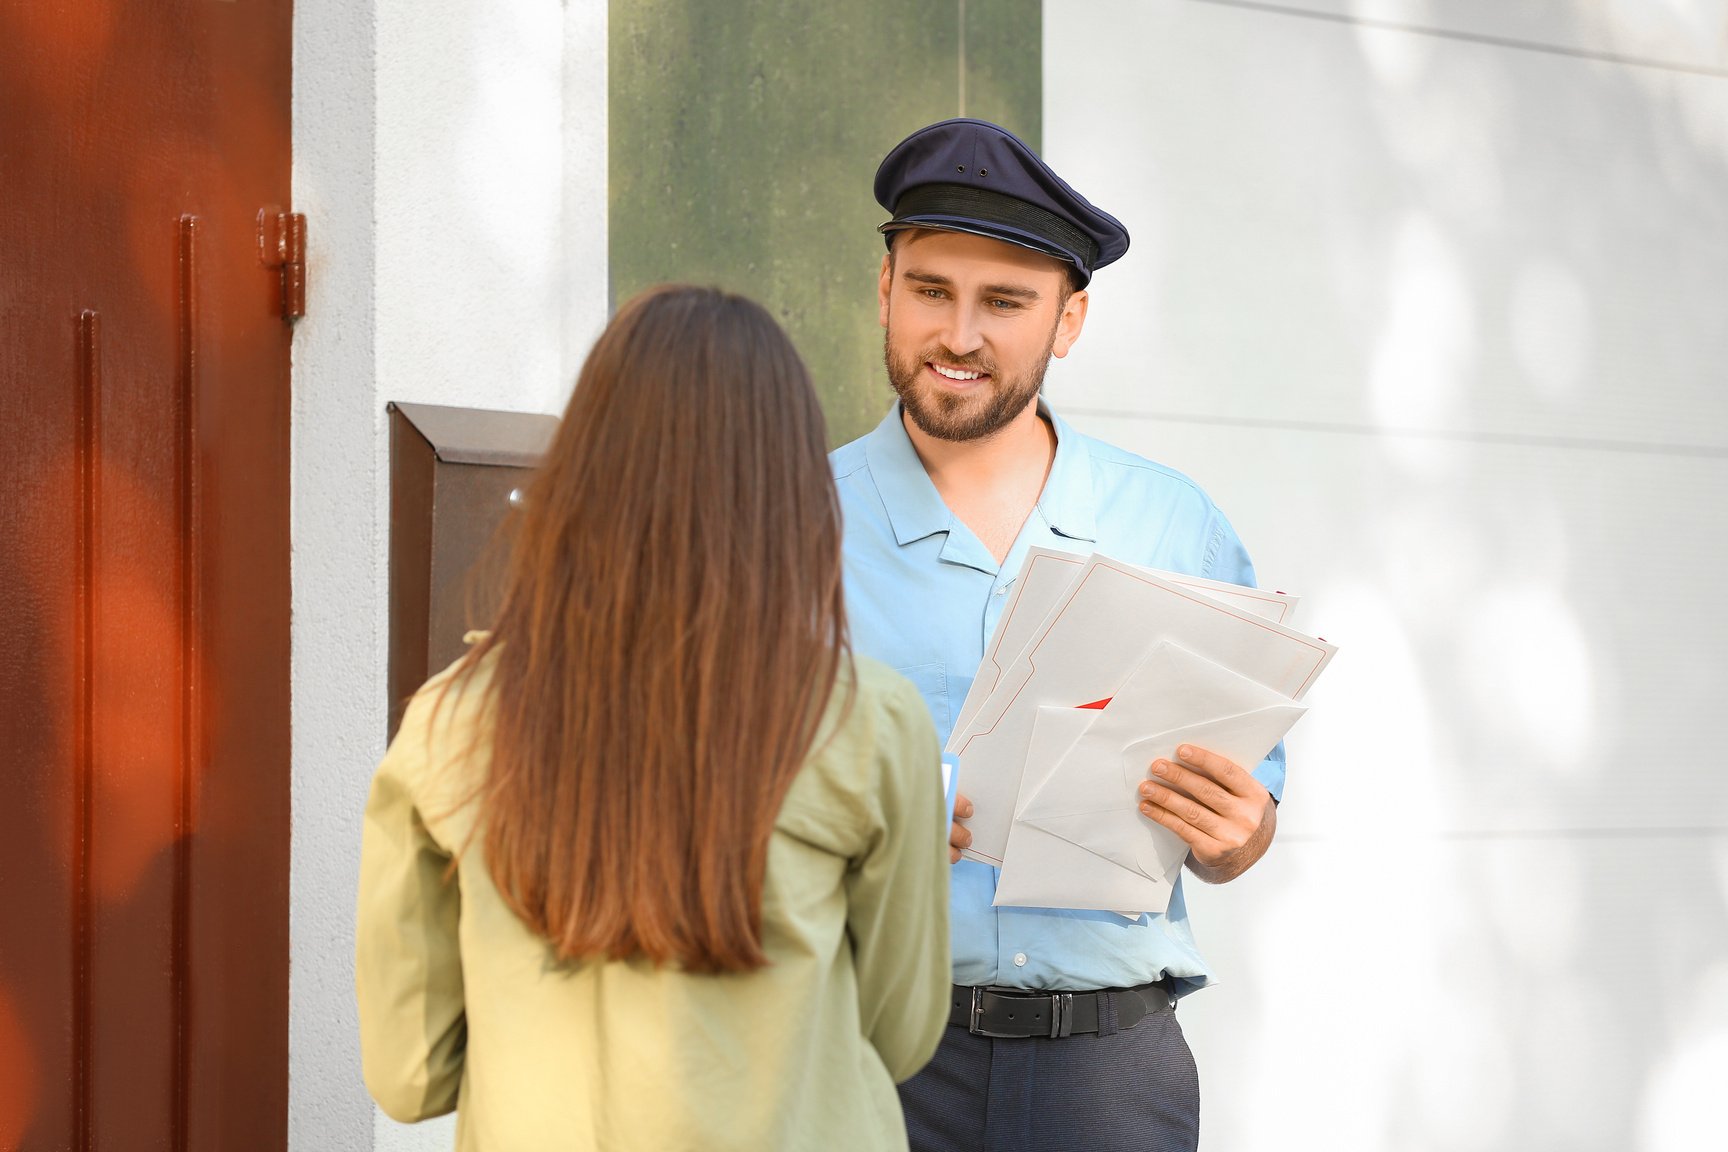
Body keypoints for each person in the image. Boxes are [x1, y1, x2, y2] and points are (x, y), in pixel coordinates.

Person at [356, 285, 952, 1151]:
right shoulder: (867, 722)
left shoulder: (451, 723)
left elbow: (410, 1077)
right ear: (790, 492)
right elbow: (900, 1037)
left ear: (581, 472)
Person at [830, 119, 1287, 1152]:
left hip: (1111, 1078)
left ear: (1069, 321)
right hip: (869, 1067)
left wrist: (1238, 832)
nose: (958, 336)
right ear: (885, 289)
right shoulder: (788, 522)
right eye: (931, 290)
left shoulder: (1175, 525)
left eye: (1005, 303)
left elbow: (1248, 818)